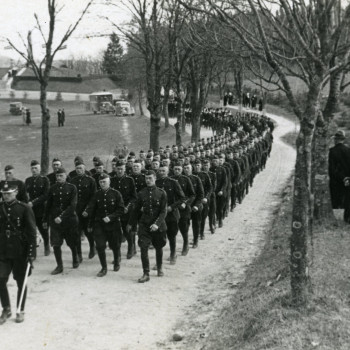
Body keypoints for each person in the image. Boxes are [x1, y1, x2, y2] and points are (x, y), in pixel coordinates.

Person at [0, 183, 36, 324]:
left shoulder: (24, 208)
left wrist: (31, 253)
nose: (6, 196)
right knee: (0, 279)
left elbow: (32, 232)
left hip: (20, 250)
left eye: (9, 193)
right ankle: (6, 309)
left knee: (21, 281)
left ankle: (20, 309)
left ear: (16, 192)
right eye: (4, 193)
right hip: (2, 250)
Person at [127, 171, 167, 283]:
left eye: (150, 178)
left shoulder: (161, 193)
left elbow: (163, 211)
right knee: (143, 247)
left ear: (155, 178)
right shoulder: (141, 193)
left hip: (158, 225)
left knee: (159, 247)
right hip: (144, 224)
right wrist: (130, 223)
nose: (148, 180)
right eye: (146, 178)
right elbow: (135, 210)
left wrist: (157, 224)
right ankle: (146, 273)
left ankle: (159, 267)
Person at [86, 173, 125, 277]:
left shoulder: (116, 194)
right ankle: (104, 268)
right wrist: (90, 224)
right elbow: (93, 211)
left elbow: (121, 210)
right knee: (100, 246)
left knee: (115, 245)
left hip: (113, 225)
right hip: (99, 224)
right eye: (101, 182)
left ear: (109, 182)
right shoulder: (96, 195)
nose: (102, 184)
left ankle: (116, 261)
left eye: (105, 182)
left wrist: (111, 217)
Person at [43, 168, 79, 275]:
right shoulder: (52, 188)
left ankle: (75, 257)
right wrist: (45, 219)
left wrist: (62, 216)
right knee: (56, 244)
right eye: (57, 176)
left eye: (61, 176)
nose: (59, 178)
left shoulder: (72, 188)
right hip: (55, 222)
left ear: (66, 175)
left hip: (69, 220)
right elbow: (48, 205)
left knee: (71, 242)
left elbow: (72, 206)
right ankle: (59, 266)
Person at [156, 165, 185, 264]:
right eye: (160, 171)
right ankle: (159, 260)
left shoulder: (174, 183)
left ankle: (173, 253)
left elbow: (182, 198)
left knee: (171, 235)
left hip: (171, 214)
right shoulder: (156, 183)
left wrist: (172, 207)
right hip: (160, 215)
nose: (161, 172)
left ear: (168, 172)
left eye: (163, 171)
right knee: (160, 237)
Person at [109, 160, 137, 259]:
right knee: (116, 232)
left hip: (127, 209)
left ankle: (131, 248)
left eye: (121, 169)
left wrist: (127, 207)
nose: (120, 171)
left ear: (125, 169)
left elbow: (134, 197)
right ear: (115, 169)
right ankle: (117, 254)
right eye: (118, 169)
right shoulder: (112, 180)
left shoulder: (130, 180)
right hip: (116, 210)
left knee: (127, 230)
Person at [70, 161, 97, 261]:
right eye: (77, 168)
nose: (79, 170)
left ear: (85, 168)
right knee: (76, 233)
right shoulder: (72, 181)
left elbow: (94, 197)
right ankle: (79, 254)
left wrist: (88, 210)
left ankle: (92, 247)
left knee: (88, 231)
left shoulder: (91, 180)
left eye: (81, 168)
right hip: (76, 212)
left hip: (87, 211)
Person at [25, 160, 50, 256]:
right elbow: (25, 194)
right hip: (31, 210)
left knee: (43, 228)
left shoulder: (45, 180)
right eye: (32, 168)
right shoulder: (28, 180)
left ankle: (47, 245)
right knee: (31, 229)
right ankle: (32, 250)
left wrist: (33, 202)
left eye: (36, 168)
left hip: (41, 209)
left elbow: (45, 195)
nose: (34, 170)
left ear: (39, 169)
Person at [329, 130, 350, 222]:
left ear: (336, 140)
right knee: (346, 199)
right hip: (348, 179)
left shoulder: (332, 151)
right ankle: (346, 218)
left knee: (336, 199)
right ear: (343, 140)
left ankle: (337, 219)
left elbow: (332, 169)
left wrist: (341, 177)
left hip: (336, 179)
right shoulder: (348, 150)